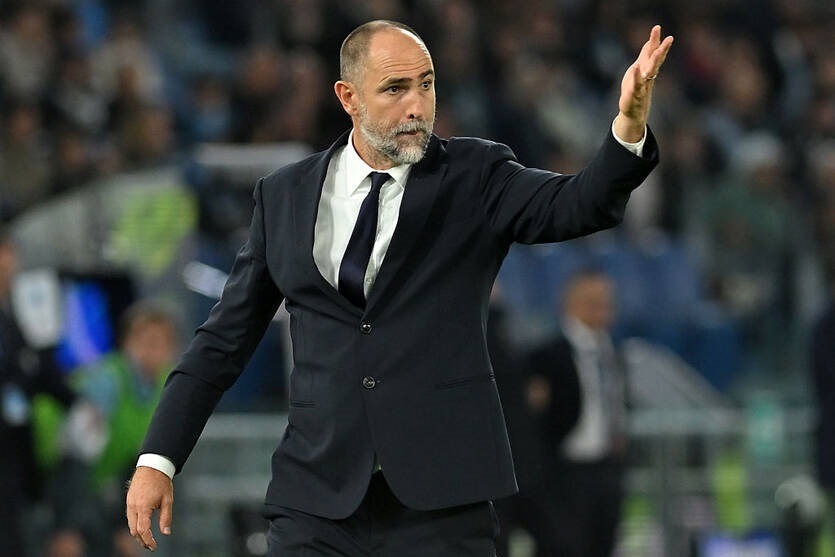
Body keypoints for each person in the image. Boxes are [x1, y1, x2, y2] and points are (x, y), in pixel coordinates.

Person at [126, 19, 673, 556]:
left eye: (426, 84)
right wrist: (158, 459)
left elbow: (578, 204)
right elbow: (222, 342)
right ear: (348, 97)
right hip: (316, 501)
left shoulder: (475, 175)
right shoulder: (284, 195)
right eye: (395, 88)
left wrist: (627, 126)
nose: (417, 106)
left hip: (440, 506)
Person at [526, 269, 628, 556]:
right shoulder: (544, 355)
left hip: (606, 469)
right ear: (570, 302)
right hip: (562, 473)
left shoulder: (613, 351)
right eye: (593, 302)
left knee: (602, 544)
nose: (602, 309)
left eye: (607, 302)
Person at [0, 230, 77, 556]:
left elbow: (43, 370)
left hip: (17, 453)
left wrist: (77, 402)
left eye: (7, 253)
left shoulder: (22, 308)